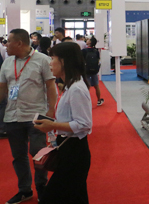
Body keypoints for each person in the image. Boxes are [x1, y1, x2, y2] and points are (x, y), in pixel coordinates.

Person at [0, 29, 57, 203]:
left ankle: (41, 187)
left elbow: (51, 87)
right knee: (18, 156)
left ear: (19, 43)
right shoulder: (7, 62)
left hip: (36, 115)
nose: (5, 45)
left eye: (8, 42)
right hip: (12, 116)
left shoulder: (42, 60)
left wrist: (51, 111)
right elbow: (2, 89)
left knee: (38, 153)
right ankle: (25, 190)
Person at [33, 42, 92, 204]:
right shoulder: (70, 86)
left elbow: (84, 124)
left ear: (64, 61)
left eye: (52, 59)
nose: (50, 63)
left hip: (74, 151)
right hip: (68, 148)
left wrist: (53, 125)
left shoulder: (76, 89)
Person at [82, 37, 103, 106]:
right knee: (96, 85)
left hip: (86, 70)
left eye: (88, 39)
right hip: (94, 70)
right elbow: (98, 60)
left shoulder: (84, 51)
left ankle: (85, 101)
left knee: (86, 86)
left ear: (90, 42)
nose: (87, 40)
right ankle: (99, 100)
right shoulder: (96, 51)